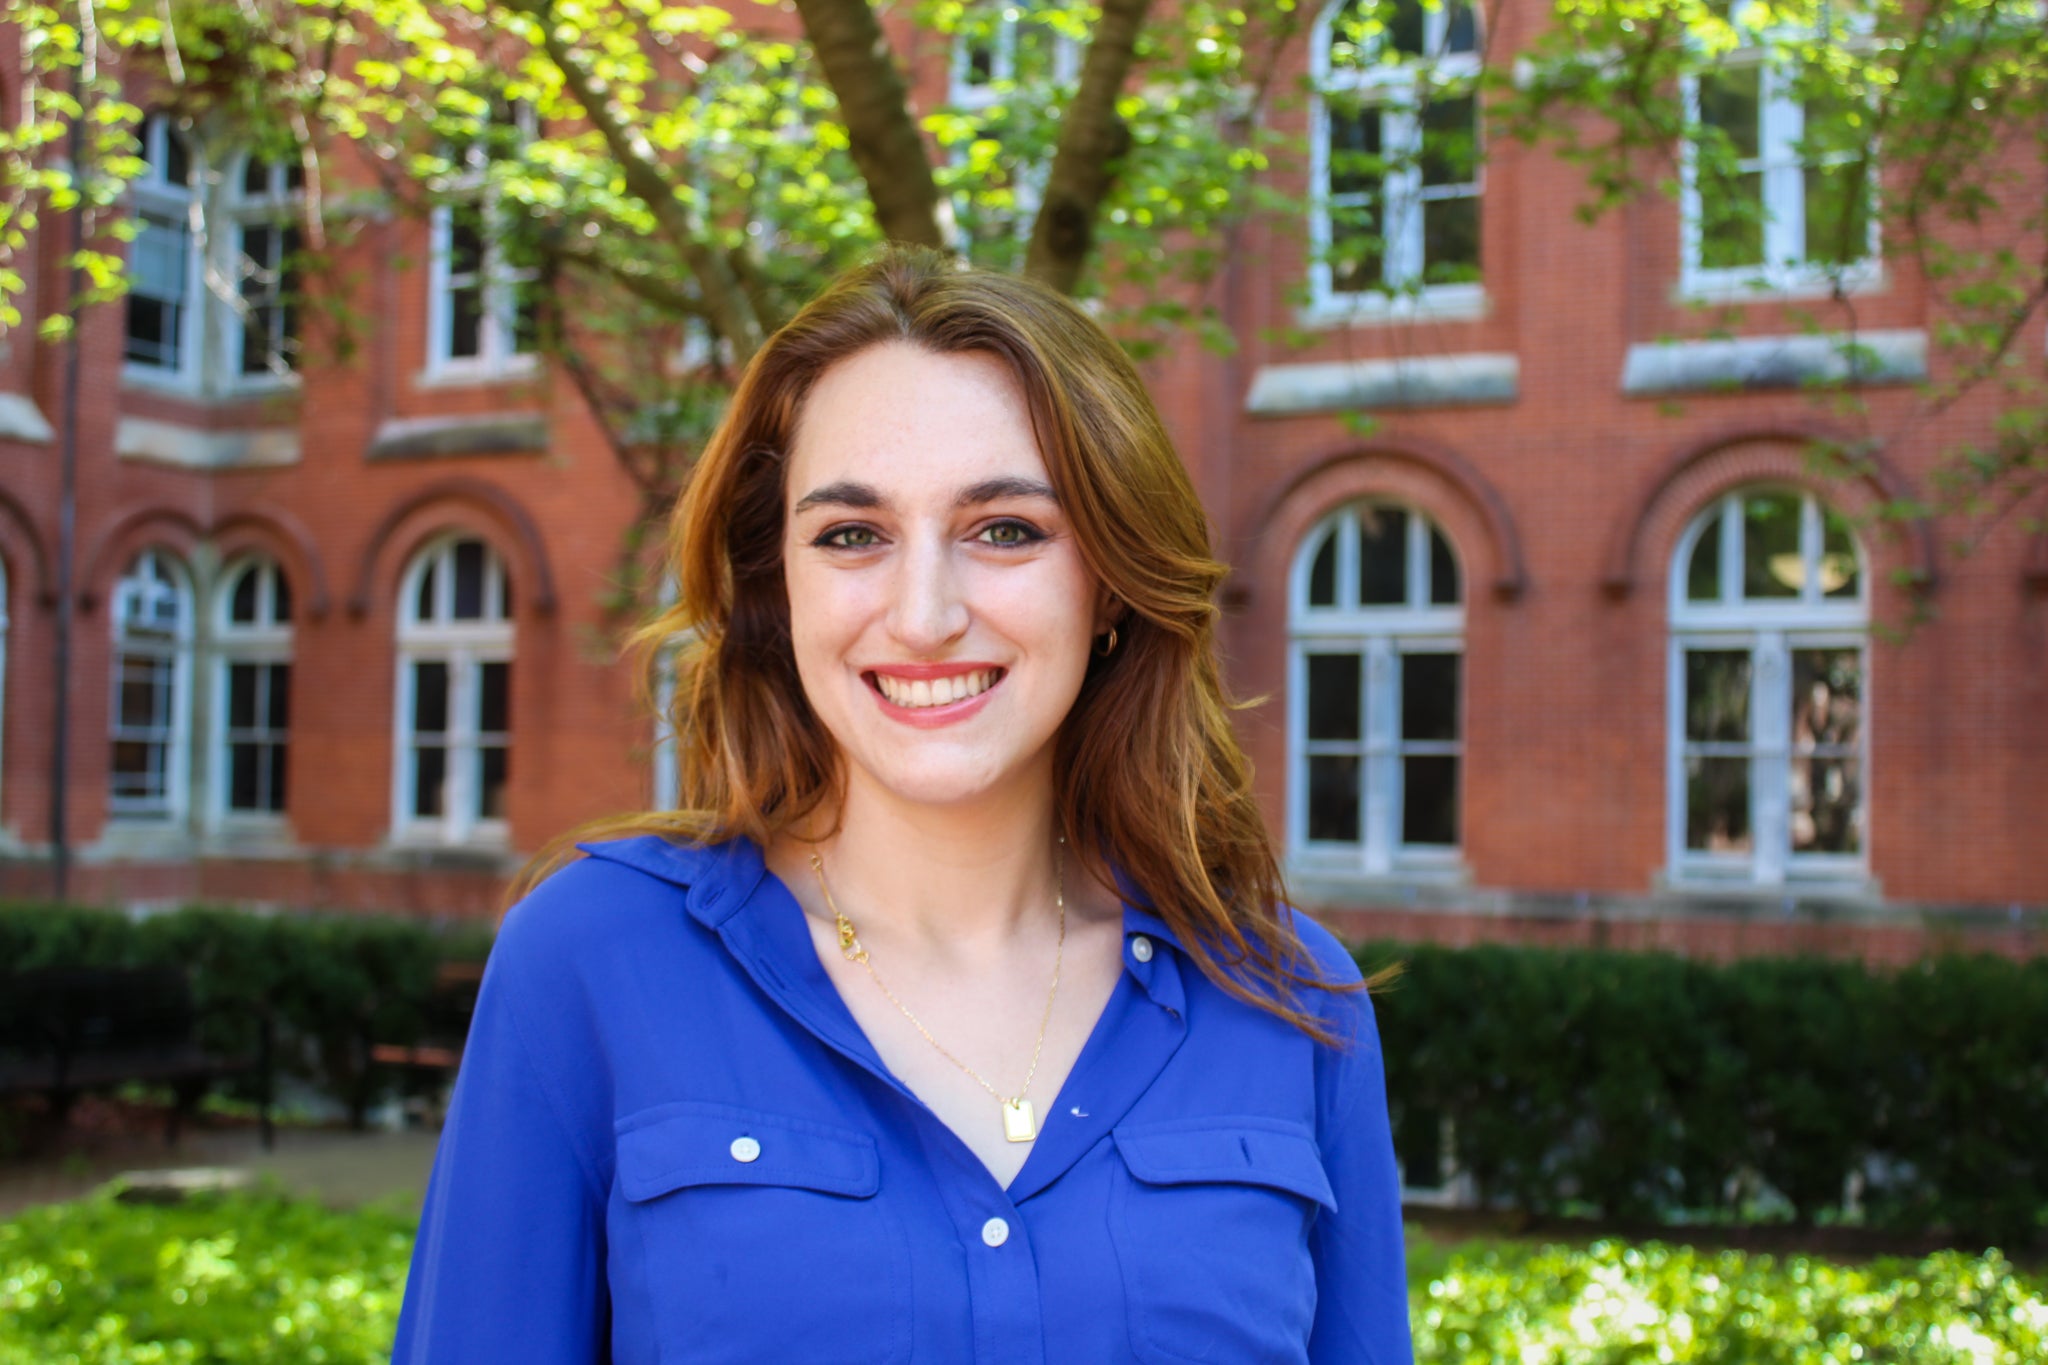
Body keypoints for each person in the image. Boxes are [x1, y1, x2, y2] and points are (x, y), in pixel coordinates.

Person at [392, 249, 1414, 1364]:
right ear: (777, 586)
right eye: (850, 535)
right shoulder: (594, 958)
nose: (923, 614)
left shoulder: (1283, 1000)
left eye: (1004, 530)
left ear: (1111, 583)